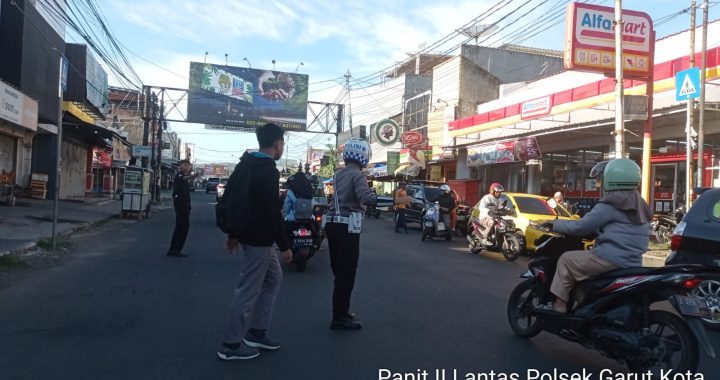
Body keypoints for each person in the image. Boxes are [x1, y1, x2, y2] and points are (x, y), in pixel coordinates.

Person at [217, 123, 293, 361]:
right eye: (283, 144)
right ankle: (230, 344)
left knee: (273, 279)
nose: (282, 148)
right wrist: (285, 245)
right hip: (259, 239)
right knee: (248, 290)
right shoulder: (268, 169)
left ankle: (257, 332)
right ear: (278, 144)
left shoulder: (245, 165)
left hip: (253, 236)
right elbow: (271, 211)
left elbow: (235, 200)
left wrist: (233, 234)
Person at [542, 158, 651, 313]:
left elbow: (581, 227)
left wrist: (554, 224)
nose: (599, 184)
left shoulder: (611, 203)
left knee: (566, 259)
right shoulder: (640, 202)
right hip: (633, 260)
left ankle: (559, 305)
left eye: (601, 179)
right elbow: (622, 229)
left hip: (611, 259)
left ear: (611, 179)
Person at [324, 138, 377, 330]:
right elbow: (364, 197)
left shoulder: (338, 174)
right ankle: (339, 317)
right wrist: (373, 196)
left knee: (339, 271)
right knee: (346, 274)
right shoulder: (358, 176)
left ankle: (342, 310)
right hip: (347, 228)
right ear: (363, 156)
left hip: (332, 225)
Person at [167, 159, 195, 257]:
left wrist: (189, 206)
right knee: (182, 227)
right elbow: (182, 179)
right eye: (184, 164)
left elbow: (187, 194)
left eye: (187, 165)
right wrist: (191, 176)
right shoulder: (179, 176)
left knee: (183, 227)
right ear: (180, 166)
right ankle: (175, 249)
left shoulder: (184, 177)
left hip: (185, 205)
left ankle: (175, 248)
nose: (186, 166)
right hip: (180, 205)